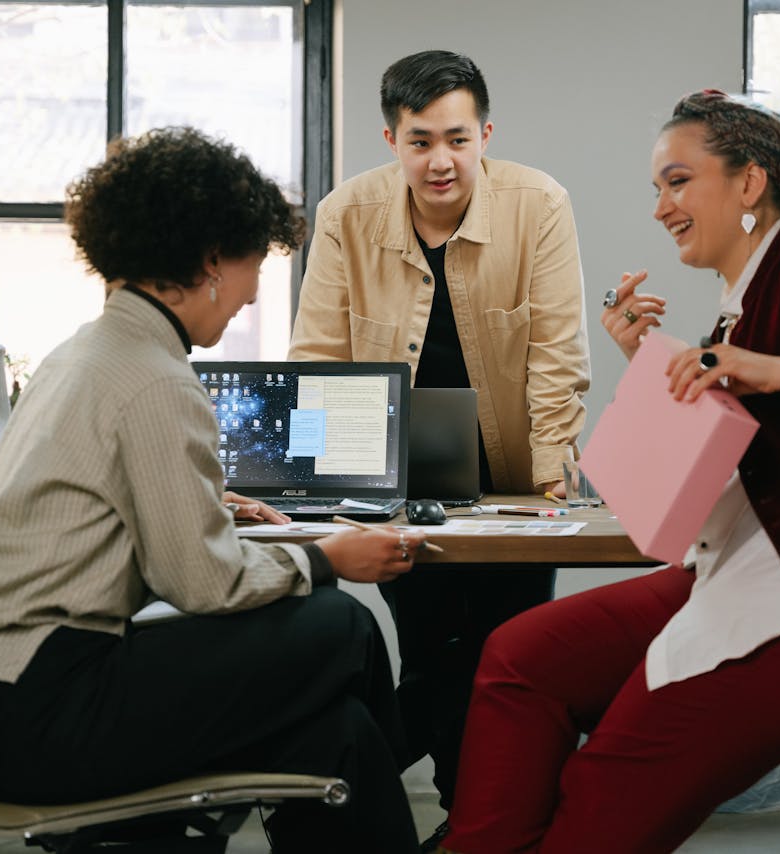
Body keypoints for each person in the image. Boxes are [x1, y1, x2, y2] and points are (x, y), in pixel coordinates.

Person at [439, 89, 780, 853]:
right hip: (758, 565)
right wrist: (651, 364)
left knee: (611, 779)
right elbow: (721, 492)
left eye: (677, 181)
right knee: (519, 658)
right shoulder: (737, 308)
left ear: (750, 183)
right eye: (656, 190)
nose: (661, 207)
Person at [0, 127, 427, 854]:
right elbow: (203, 582)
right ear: (211, 262)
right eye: (254, 264)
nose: (253, 291)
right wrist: (327, 557)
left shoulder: (86, 354)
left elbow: (89, 497)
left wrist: (199, 501)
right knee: (342, 624)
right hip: (45, 708)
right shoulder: (157, 379)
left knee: (335, 738)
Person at [287, 49, 591, 845]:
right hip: (393, 477)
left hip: (517, 480)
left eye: (457, 138)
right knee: (432, 647)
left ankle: (441, 809)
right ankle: (476, 826)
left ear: (485, 133)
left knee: (509, 653)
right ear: (392, 140)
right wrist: (317, 486)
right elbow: (317, 355)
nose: (441, 160)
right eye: (420, 141)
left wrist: (554, 471)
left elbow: (558, 354)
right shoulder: (345, 213)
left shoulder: (540, 205)